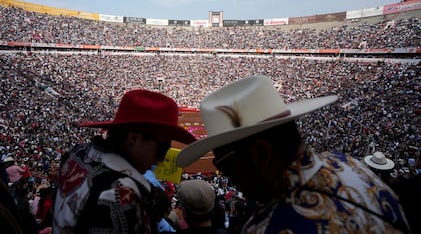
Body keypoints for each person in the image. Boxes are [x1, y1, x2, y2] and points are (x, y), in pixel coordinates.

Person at [176, 75, 410, 234]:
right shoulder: (351, 165)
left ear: (260, 153)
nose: (224, 173)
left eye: (223, 163)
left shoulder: (267, 226)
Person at [53, 89, 196, 234]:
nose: (161, 159)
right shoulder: (125, 193)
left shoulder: (77, 153)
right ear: (133, 138)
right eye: (162, 148)